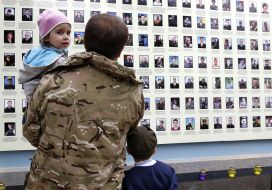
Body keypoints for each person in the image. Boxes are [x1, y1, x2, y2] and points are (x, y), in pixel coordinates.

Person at [23, 13, 144, 189]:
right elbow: (128, 132)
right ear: (120, 50)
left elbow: (31, 131)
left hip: (48, 183)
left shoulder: (53, 79)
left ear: (85, 41)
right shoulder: (133, 90)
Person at [18, 9, 71, 103]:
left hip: (32, 110)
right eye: (60, 32)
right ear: (46, 37)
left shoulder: (36, 53)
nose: (66, 36)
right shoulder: (57, 60)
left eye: (68, 33)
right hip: (47, 111)